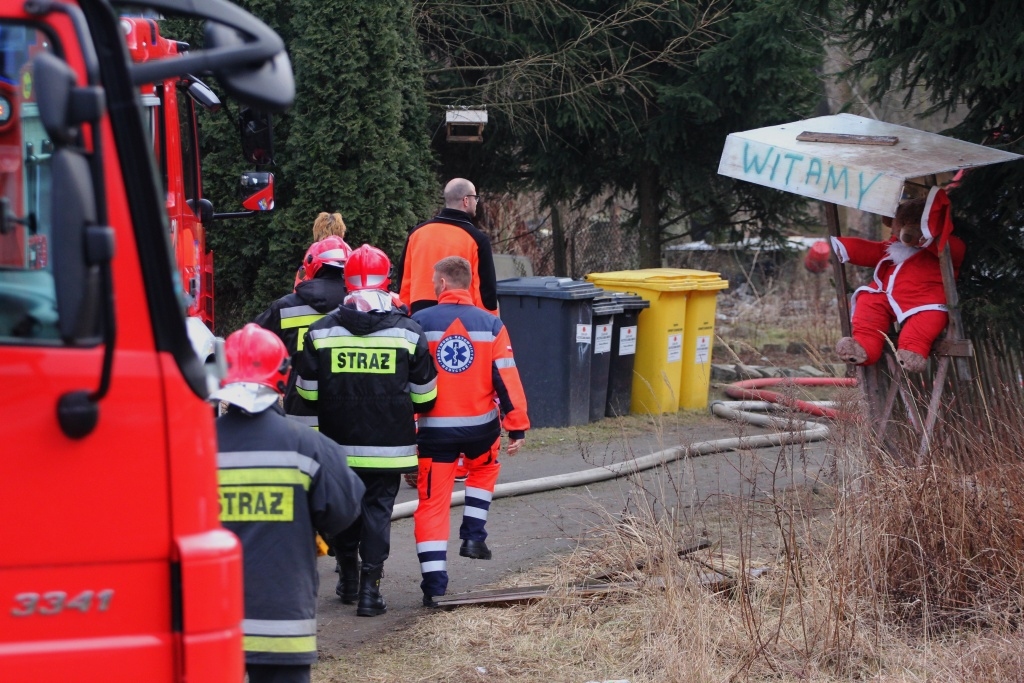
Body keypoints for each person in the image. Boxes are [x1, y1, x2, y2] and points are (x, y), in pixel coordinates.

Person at [212, 323, 365, 683]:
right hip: (282, 622)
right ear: (282, 376)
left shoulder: (191, 446)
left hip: (210, 625)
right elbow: (344, 510)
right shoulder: (308, 446)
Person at [294, 244, 438, 616]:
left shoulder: (321, 331)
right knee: (377, 512)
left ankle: (348, 579)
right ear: (387, 281)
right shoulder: (409, 332)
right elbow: (426, 396)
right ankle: (371, 594)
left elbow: (307, 393)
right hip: (389, 448)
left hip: (337, 447)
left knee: (345, 509)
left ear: (347, 283)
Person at [411, 256, 529, 608]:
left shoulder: (418, 322)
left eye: (434, 281)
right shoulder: (491, 324)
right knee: (485, 468)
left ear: (443, 284)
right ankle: (474, 535)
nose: (433, 285)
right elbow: (506, 376)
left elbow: (408, 380)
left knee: (432, 506)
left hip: (433, 433)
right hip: (481, 429)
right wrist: (516, 425)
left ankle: (435, 586)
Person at [255, 236, 352, 429]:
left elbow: (251, 346)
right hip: (350, 422)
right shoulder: (363, 307)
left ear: (311, 265)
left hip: (299, 419)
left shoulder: (284, 307)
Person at [396, 177, 498, 314]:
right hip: (461, 314)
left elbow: (404, 282)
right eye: (475, 198)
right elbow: (485, 291)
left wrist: (404, 316)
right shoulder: (477, 239)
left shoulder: (417, 234)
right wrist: (487, 321)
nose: (476, 202)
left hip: (419, 314)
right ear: (466, 200)